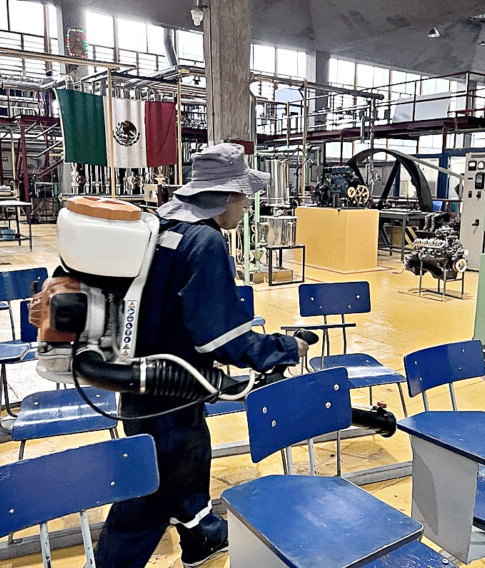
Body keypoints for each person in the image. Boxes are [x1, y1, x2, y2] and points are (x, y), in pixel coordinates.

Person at [93, 143, 309, 567]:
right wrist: (284, 347)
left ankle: (202, 539)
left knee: (186, 464)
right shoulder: (204, 241)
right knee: (148, 492)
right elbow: (221, 337)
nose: (247, 207)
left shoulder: (160, 226)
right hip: (171, 391)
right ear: (227, 195)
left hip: (143, 381)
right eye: (244, 196)